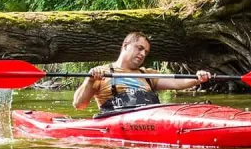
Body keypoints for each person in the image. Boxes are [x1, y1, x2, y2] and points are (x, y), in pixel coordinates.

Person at [72, 32, 210, 111]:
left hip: (152, 120)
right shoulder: (101, 72)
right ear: (125, 46)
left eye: (146, 52)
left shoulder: (148, 75)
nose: (143, 54)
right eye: (139, 48)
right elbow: (79, 105)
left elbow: (178, 83)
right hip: (119, 121)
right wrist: (90, 81)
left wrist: (197, 78)